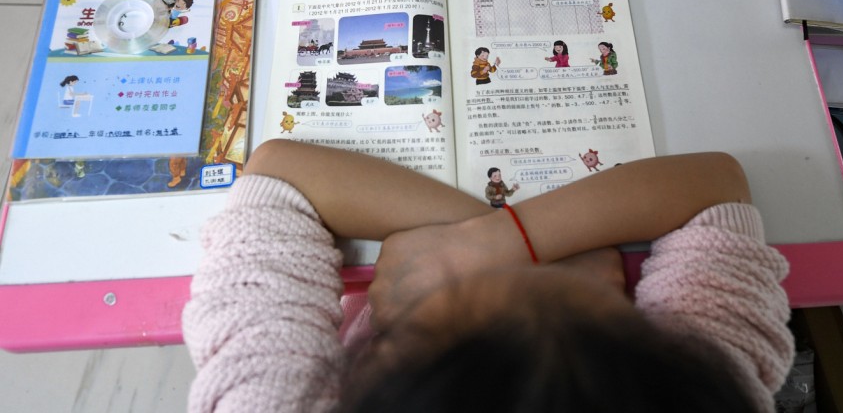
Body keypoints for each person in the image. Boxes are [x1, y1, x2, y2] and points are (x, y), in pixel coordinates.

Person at [183, 140, 795, 412]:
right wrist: (507, 244)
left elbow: (278, 178)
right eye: (577, 300)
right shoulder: (704, 391)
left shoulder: (267, 402)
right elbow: (715, 187)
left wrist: (469, 248)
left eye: (450, 303)